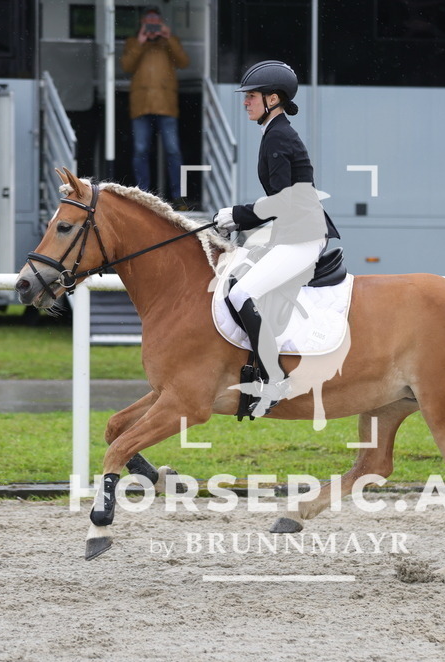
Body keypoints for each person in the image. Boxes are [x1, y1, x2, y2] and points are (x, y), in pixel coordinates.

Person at [214, 60, 340, 417]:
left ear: (273, 99)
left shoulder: (279, 136)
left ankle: (273, 379)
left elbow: (285, 200)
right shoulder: (274, 132)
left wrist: (237, 215)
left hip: (303, 237)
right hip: (290, 233)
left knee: (242, 294)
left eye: (251, 96)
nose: (245, 102)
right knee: (236, 281)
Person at [121, 7, 190, 206]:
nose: (152, 26)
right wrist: (140, 42)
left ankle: (178, 195)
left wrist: (168, 38)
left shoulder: (169, 42)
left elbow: (184, 62)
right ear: (142, 23)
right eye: (148, 22)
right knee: (140, 150)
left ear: (161, 23)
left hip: (166, 105)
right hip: (141, 105)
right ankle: (143, 195)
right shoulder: (133, 42)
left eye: (155, 22)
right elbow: (126, 66)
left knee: (173, 151)